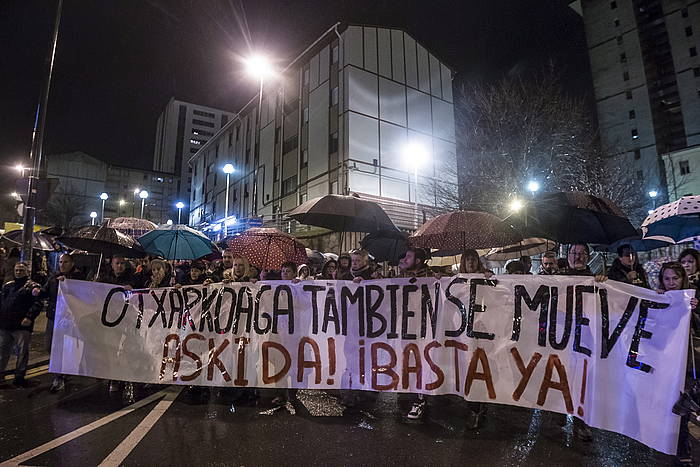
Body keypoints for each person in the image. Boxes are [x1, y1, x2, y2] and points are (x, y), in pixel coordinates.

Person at [556, 243, 605, 441]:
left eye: (582, 253)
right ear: (568, 256)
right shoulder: (557, 279)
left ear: (588, 257)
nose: (578, 257)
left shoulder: (596, 280)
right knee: (560, 377)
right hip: (560, 337)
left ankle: (581, 422)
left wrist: (603, 282)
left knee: (583, 381)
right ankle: (557, 410)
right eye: (574, 253)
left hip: (585, 338)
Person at [656, 261, 698, 466]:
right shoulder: (656, 299)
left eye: (675, 278)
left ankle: (683, 448)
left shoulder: (692, 300)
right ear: (662, 281)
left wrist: (695, 311)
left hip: (685, 364)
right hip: (663, 363)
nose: (671, 283)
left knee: (680, 407)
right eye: (667, 279)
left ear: (683, 280)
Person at [32, 254, 85, 392]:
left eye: (66, 262)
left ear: (72, 263)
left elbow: (83, 294)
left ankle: (59, 377)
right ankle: (62, 373)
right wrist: (38, 292)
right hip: (53, 317)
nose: (62, 264)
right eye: (61, 262)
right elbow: (45, 291)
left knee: (63, 348)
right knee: (50, 346)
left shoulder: (78, 277)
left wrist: (68, 283)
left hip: (69, 319)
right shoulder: (54, 277)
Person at [399, 247, 433, 421]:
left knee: (420, 362)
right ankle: (411, 393)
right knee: (407, 362)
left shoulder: (431, 276)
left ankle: (419, 400)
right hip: (404, 327)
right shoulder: (400, 277)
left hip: (424, 328)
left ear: (418, 261)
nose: (405, 258)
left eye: (408, 256)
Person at [0, 262, 41, 387]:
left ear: (27, 271)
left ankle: (19, 376)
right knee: (3, 351)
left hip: (21, 325)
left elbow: (37, 303)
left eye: (21, 270)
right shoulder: (8, 286)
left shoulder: (32, 286)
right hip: (6, 324)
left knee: (22, 351)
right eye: (16, 270)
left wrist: (29, 317)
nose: (18, 273)